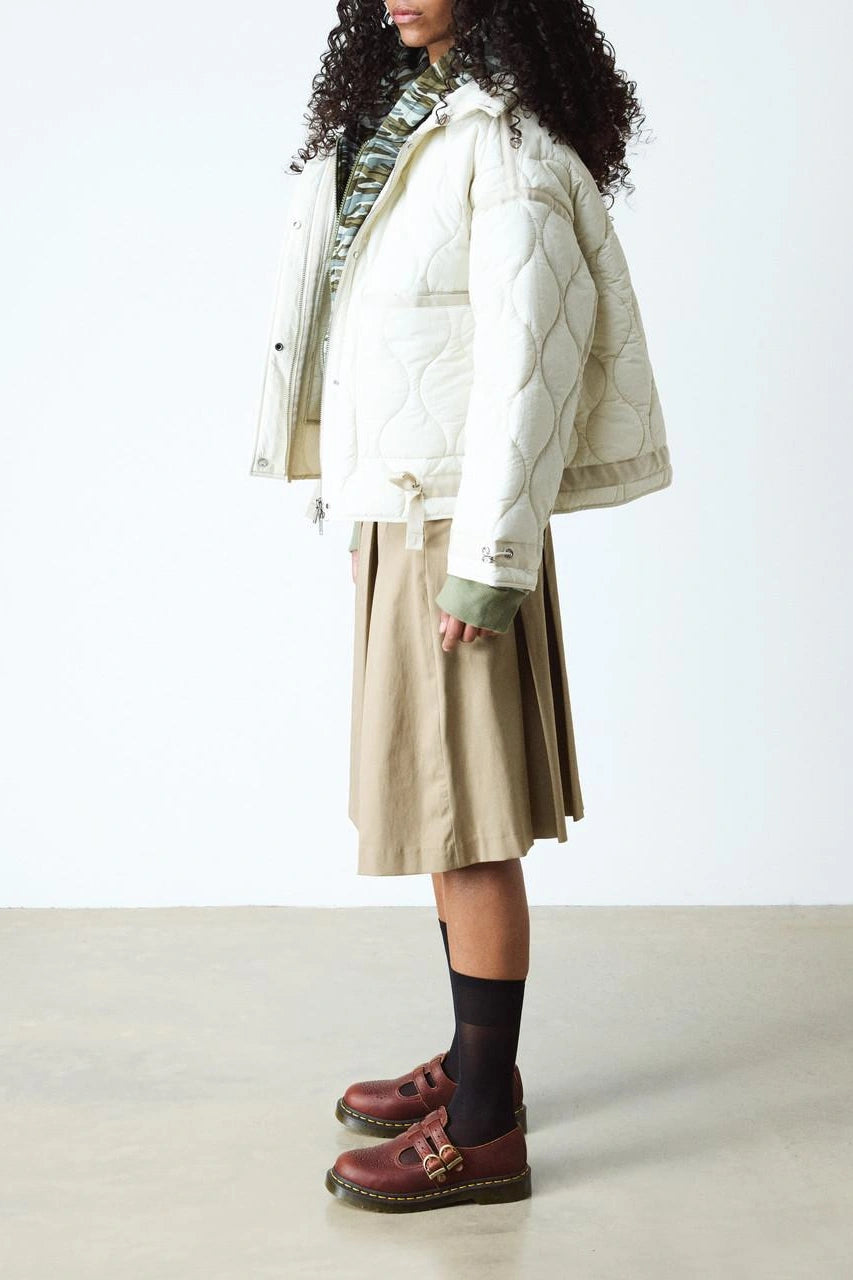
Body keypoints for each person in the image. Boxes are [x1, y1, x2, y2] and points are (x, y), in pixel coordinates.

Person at [249, 0, 672, 1212]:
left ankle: (484, 1129)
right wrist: (362, 510)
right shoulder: (405, 118)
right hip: (410, 512)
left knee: (467, 821)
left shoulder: (504, 142)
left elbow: (529, 367)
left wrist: (486, 559)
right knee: (438, 816)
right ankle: (478, 1063)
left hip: (460, 524)